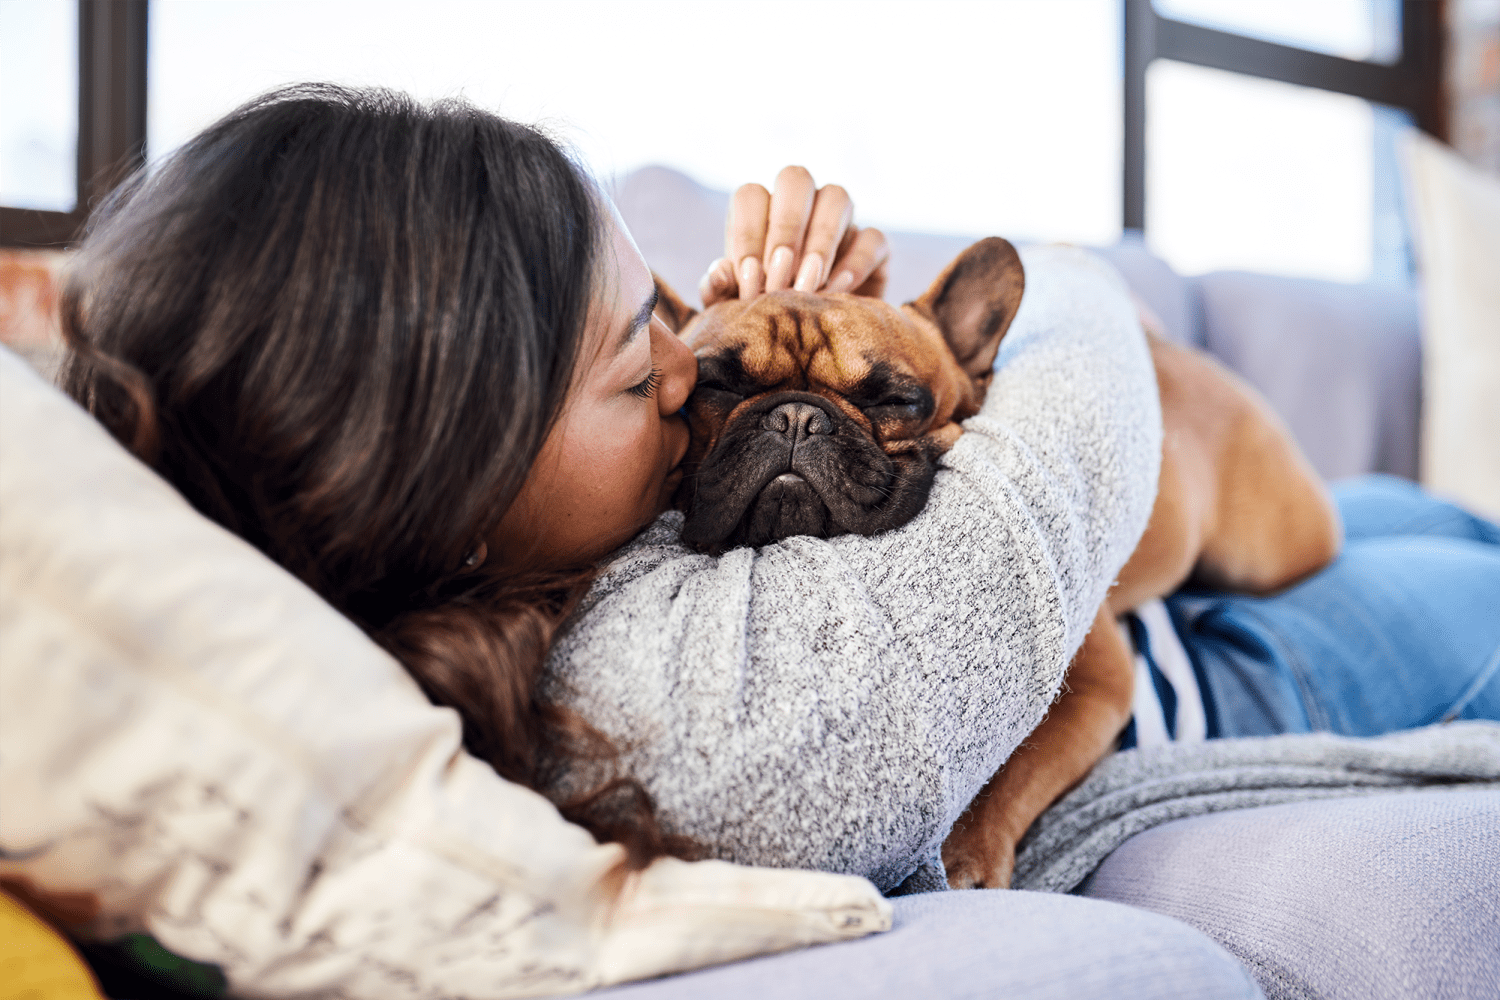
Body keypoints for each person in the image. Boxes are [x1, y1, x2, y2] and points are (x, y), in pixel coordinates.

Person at [52, 84, 1499, 995]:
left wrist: (804, 337)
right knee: (1459, 560)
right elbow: (1087, 338)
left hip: (1172, 583)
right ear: (460, 458)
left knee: (1399, 515)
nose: (690, 379)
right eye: (650, 367)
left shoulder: (465, 598)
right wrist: (917, 341)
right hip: (1228, 667)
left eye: (684, 332)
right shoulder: (741, 712)